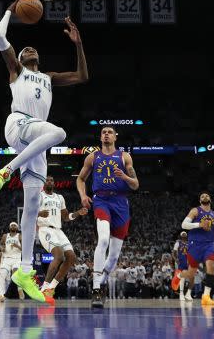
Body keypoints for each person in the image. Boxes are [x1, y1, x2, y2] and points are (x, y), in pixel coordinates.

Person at [0, 2, 88, 305]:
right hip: (19, 125)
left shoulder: (49, 76)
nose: (29, 48)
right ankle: (5, 171)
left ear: (39, 57)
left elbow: (81, 75)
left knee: (30, 207)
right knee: (60, 133)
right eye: (24, 48)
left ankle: (25, 271)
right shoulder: (15, 71)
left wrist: (79, 44)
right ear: (18, 58)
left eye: (32, 48)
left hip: (35, 144)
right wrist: (9, 10)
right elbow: (0, 38)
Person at [76, 126, 139, 309]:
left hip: (120, 203)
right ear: (100, 136)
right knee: (102, 240)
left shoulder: (124, 156)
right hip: (101, 200)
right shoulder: (93, 157)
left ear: (115, 137)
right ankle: (96, 289)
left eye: (110, 132)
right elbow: (80, 179)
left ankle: (101, 282)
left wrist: (125, 177)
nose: (106, 134)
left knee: (113, 257)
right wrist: (83, 196)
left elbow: (135, 185)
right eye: (103, 132)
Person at [36, 175, 88, 297]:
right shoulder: (39, 196)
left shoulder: (60, 197)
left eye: (51, 180)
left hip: (58, 230)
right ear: (44, 184)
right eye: (47, 180)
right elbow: (29, 212)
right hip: (45, 229)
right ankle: (44, 287)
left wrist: (78, 213)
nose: (49, 181)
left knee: (71, 257)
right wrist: (39, 213)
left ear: (54, 183)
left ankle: (51, 287)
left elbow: (65, 217)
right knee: (58, 256)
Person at [180, 192, 214, 306]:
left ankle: (206, 296)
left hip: (209, 244)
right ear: (200, 201)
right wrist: (199, 225)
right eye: (202, 196)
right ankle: (179, 276)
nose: (205, 197)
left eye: (207, 196)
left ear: (210, 199)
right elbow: (184, 225)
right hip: (195, 244)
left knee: (211, 266)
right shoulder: (195, 211)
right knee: (190, 273)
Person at [0, 222, 24, 302]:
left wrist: (17, 246)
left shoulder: (19, 236)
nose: (13, 226)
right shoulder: (5, 236)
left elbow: (24, 249)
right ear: (9, 227)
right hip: (6, 259)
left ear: (17, 228)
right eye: (11, 225)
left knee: (15, 275)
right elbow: (0, 244)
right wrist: (2, 248)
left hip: (16, 259)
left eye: (14, 225)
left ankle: (20, 288)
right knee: (2, 276)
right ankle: (2, 296)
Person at [171, 231, 192, 300]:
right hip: (181, 261)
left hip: (188, 262)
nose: (184, 235)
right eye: (183, 234)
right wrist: (176, 260)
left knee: (188, 278)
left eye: (185, 234)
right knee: (182, 278)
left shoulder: (189, 243)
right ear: (181, 236)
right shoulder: (178, 243)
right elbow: (173, 253)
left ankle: (187, 294)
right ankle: (181, 294)